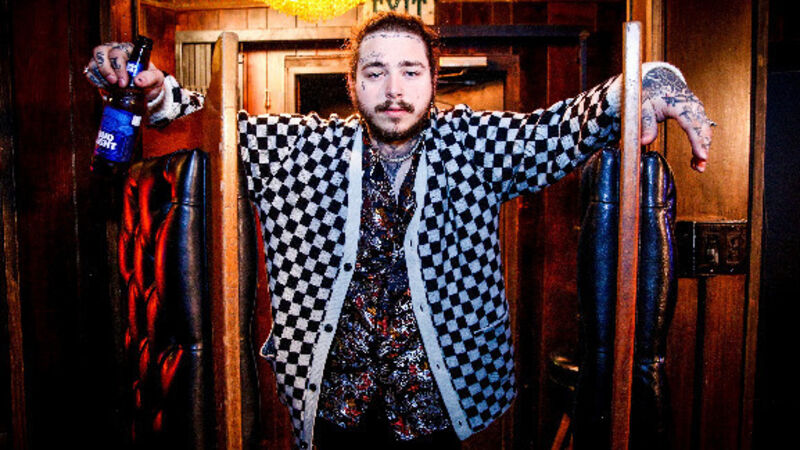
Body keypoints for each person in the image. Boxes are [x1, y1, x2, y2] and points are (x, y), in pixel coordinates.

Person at [85, 12, 712, 450]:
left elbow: (565, 126)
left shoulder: (475, 143)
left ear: (434, 80)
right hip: (333, 404)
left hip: (440, 402)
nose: (393, 90)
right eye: (375, 72)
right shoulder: (303, 149)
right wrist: (154, 92)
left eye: (411, 71)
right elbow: (213, 127)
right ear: (352, 82)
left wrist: (652, 79)